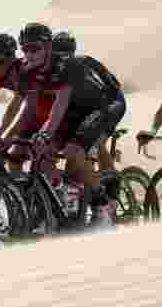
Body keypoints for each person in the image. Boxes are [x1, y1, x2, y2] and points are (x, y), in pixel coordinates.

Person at [15, 22, 126, 225]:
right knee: (42, 151)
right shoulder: (32, 71)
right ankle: (65, 196)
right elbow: (33, 110)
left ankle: (104, 206)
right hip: (72, 112)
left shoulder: (74, 65)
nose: (29, 54)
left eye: (35, 48)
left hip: (100, 107)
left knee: (75, 152)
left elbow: (62, 102)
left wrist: (46, 132)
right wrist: (20, 136)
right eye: (25, 49)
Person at [50, 29, 126, 173]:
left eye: (64, 55)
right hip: (89, 107)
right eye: (57, 56)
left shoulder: (83, 64)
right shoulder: (57, 72)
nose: (61, 60)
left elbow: (112, 88)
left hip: (112, 101)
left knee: (96, 143)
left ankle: (112, 184)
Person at [0, 32, 56, 173]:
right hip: (35, 118)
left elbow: (23, 110)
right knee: (14, 161)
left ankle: (58, 191)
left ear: (11, 57)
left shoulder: (26, 70)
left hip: (53, 116)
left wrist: (5, 136)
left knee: (42, 164)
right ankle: (23, 195)